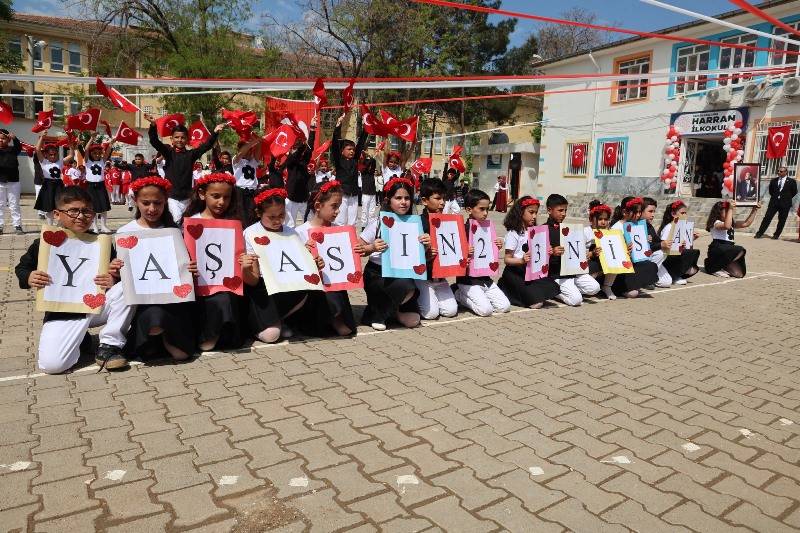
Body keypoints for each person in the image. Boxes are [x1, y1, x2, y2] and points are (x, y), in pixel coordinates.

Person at [15, 186, 134, 373]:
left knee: (127, 287)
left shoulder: (101, 243)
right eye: (73, 210)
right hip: (62, 312)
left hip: (96, 307)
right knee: (53, 366)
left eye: (86, 211)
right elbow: (22, 268)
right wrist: (29, 276)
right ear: (57, 214)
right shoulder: (47, 242)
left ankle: (109, 345)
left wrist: (114, 277)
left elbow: (116, 272)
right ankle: (81, 339)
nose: (80, 216)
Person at [118, 176, 196, 362]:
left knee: (182, 355)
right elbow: (120, 276)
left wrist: (190, 267)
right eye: (146, 203)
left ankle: (167, 338)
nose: (152, 209)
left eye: (158, 203)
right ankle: (149, 337)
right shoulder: (124, 232)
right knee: (153, 321)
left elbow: (181, 265)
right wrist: (114, 268)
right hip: (142, 302)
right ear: (135, 201)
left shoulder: (174, 231)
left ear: (165, 203)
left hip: (173, 300)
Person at [242, 188, 322, 343]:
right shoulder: (250, 233)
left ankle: (280, 319)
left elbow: (298, 264)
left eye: (281, 215)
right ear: (259, 214)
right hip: (263, 288)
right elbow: (253, 280)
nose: (278, 221)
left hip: (287, 285)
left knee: (309, 290)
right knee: (270, 336)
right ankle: (255, 323)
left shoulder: (291, 232)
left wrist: (312, 261)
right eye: (271, 217)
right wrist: (245, 268)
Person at [183, 172, 247, 351]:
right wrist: (187, 265)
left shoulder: (233, 223)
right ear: (203, 194)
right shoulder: (191, 222)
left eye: (226, 197)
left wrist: (243, 260)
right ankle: (208, 335)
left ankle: (221, 334)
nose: (221, 202)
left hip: (226, 283)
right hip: (198, 284)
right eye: (216, 196)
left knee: (225, 298)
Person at [358, 177, 426, 330]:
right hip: (378, 274)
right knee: (407, 286)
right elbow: (357, 248)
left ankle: (392, 311)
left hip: (402, 272)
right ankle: (376, 315)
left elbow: (418, 253)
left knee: (413, 321)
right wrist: (371, 248)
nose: (403, 202)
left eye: (407, 198)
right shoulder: (378, 223)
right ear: (389, 200)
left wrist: (426, 244)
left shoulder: (415, 223)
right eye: (398, 198)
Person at [295, 180, 357, 336]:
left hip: (337, 285)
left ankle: (336, 316)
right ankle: (323, 319)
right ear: (318, 206)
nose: (337, 211)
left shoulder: (339, 230)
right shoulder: (300, 232)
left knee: (348, 329)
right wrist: (306, 256)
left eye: (339, 207)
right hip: (313, 289)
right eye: (334, 206)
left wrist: (360, 250)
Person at [145, 113, 224, 224]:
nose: (179, 140)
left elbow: (206, 146)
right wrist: (153, 125)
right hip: (172, 197)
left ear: (187, 139)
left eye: (183, 137)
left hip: (187, 197)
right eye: (176, 137)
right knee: (176, 221)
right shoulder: (168, 153)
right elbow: (154, 141)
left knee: (187, 223)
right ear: (171, 139)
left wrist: (215, 132)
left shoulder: (191, 155)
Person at [453, 189, 511, 316]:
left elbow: (488, 251)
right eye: (481, 209)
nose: (485, 213)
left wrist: (497, 246)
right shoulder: (461, 229)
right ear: (469, 209)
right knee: (485, 310)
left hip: (485, 278)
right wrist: (463, 251)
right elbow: (453, 255)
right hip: (467, 280)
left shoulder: (488, 228)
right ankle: (458, 293)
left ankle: (480, 295)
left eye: (487, 209)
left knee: (505, 306)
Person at [498, 196, 559, 309]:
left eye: (536, 213)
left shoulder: (535, 231)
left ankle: (527, 292)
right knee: (536, 304)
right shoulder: (513, 234)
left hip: (531, 271)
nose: (534, 216)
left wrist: (548, 252)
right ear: (521, 212)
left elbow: (539, 253)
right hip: (515, 272)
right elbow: (507, 259)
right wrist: (521, 260)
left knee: (552, 287)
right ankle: (506, 287)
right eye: (531, 212)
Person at [545, 193, 600, 306]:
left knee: (595, 288)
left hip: (573, 271)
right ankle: (553, 291)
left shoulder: (569, 229)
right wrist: (552, 253)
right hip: (556, 273)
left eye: (565, 210)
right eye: (560, 210)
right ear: (549, 210)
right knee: (576, 300)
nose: (564, 214)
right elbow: (538, 258)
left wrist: (590, 253)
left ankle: (571, 289)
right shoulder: (543, 230)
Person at [416, 178, 459, 320]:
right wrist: (425, 255)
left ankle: (455, 292)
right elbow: (410, 255)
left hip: (440, 277)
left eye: (444, 199)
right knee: (431, 314)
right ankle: (413, 298)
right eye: (437, 198)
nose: (442, 202)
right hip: (423, 278)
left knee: (451, 311)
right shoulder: (416, 223)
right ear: (424, 200)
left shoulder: (448, 222)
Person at [609, 197, 659, 297]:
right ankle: (615, 287)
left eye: (640, 212)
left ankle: (629, 286)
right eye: (635, 212)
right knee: (633, 293)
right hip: (619, 268)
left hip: (633, 263)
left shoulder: (637, 225)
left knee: (651, 266)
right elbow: (612, 255)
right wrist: (624, 249)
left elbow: (640, 249)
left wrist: (646, 241)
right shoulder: (616, 228)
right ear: (624, 212)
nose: (638, 215)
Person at [704, 200, 759, 278]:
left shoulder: (731, 223)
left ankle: (722, 265)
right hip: (718, 248)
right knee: (740, 249)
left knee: (739, 274)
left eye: (728, 211)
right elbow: (727, 226)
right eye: (725, 211)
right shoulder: (716, 222)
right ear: (718, 213)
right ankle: (713, 267)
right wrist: (730, 209)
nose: (728, 213)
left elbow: (747, 223)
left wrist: (755, 209)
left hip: (728, 249)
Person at [332, 113, 368, 226]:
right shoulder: (339, 160)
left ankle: (351, 242)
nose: (352, 151)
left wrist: (365, 128)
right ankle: (338, 241)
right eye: (349, 149)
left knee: (352, 222)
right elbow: (334, 145)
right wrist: (338, 126)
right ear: (342, 151)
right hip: (342, 194)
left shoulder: (354, 160)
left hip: (354, 195)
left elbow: (361, 144)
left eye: (353, 149)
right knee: (340, 221)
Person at [33, 133, 75, 226]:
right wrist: (42, 138)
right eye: (50, 154)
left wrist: (71, 146)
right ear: (46, 155)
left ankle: (60, 224)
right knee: (49, 207)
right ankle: (49, 225)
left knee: (60, 205)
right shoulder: (44, 162)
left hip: (58, 185)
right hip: (48, 185)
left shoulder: (60, 162)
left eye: (55, 154)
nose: (53, 156)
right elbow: (37, 149)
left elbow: (71, 156)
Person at [658, 200, 700, 285]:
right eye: (682, 213)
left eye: (685, 213)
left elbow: (684, 244)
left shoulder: (682, 227)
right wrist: (677, 245)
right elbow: (663, 245)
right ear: (673, 214)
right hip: (668, 256)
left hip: (677, 255)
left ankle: (676, 274)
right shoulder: (669, 227)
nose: (685, 215)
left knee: (693, 253)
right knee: (688, 253)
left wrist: (692, 238)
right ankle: (673, 275)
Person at [283, 119, 316, 228]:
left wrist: (312, 129)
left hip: (303, 198)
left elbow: (310, 149)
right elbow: (295, 156)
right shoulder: (290, 161)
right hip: (291, 198)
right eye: (294, 149)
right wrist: (302, 144)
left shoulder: (303, 162)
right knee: (290, 225)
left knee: (309, 223)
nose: (295, 151)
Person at [79, 138, 114, 233]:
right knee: (92, 208)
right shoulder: (87, 162)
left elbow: (108, 151)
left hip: (101, 186)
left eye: (99, 153)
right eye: (94, 153)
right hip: (90, 186)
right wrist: (91, 138)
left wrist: (111, 143)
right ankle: (95, 227)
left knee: (104, 207)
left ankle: (104, 226)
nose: (97, 155)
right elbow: (86, 149)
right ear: (91, 154)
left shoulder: (102, 161)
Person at [755, 166, 798, 240]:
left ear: (786, 172)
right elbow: (771, 191)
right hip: (774, 203)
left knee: (782, 220)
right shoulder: (774, 180)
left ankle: (776, 235)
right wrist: (776, 197)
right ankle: (759, 233)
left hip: (785, 204)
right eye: (778, 171)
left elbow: (794, 192)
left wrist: (786, 198)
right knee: (767, 218)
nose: (779, 172)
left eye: (781, 171)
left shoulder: (791, 181)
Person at [642, 197, 672, 288]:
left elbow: (657, 241)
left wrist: (667, 243)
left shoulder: (649, 226)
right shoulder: (634, 225)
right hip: (642, 260)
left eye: (654, 212)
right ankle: (645, 279)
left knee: (666, 282)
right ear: (641, 211)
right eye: (650, 211)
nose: (653, 214)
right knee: (660, 253)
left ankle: (650, 277)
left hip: (651, 259)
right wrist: (660, 245)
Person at [232, 137, 261, 226]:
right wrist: (251, 143)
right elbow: (241, 153)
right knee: (242, 216)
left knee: (254, 215)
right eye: (246, 149)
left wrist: (259, 141)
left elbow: (258, 150)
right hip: (241, 191)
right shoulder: (236, 160)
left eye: (250, 150)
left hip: (253, 191)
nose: (248, 151)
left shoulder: (253, 162)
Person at [0, 129, 24, 235]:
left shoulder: (13, 149)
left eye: (3, 138)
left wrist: (15, 139)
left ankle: (17, 225)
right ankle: (0, 225)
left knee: (14, 205)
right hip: (0, 182)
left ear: (8, 139)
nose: (1, 140)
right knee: (0, 205)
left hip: (13, 182)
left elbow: (19, 147)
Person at [359, 150, 378, 230]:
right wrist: (369, 157)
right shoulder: (362, 168)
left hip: (372, 192)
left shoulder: (371, 172)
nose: (370, 167)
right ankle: (363, 227)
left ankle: (370, 227)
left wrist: (371, 156)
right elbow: (366, 165)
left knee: (372, 212)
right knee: (364, 211)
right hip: (365, 193)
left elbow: (373, 162)